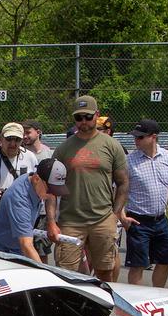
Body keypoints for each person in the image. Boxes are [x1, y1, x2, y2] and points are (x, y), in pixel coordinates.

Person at [54, 94, 129, 281]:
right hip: (71, 221)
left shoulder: (112, 145)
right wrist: (50, 220)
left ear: (97, 115)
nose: (83, 122)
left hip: (102, 219)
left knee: (105, 271)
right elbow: (51, 188)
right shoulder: (64, 149)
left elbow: (123, 182)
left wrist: (116, 213)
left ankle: (105, 306)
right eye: (78, 118)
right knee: (66, 275)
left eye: (88, 117)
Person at [121, 119, 168, 288]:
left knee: (165, 260)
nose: (136, 140)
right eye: (135, 137)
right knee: (138, 264)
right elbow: (121, 192)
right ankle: (137, 300)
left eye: (140, 137)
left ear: (153, 137)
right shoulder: (129, 161)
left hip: (160, 219)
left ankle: (158, 293)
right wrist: (121, 216)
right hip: (138, 219)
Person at [0, 157, 67, 263]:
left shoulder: (35, 181)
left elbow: (51, 196)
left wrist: (51, 222)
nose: (52, 194)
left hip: (18, 249)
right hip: (2, 253)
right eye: (50, 189)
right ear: (36, 179)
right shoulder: (19, 199)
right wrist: (45, 272)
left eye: (55, 190)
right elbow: (26, 245)